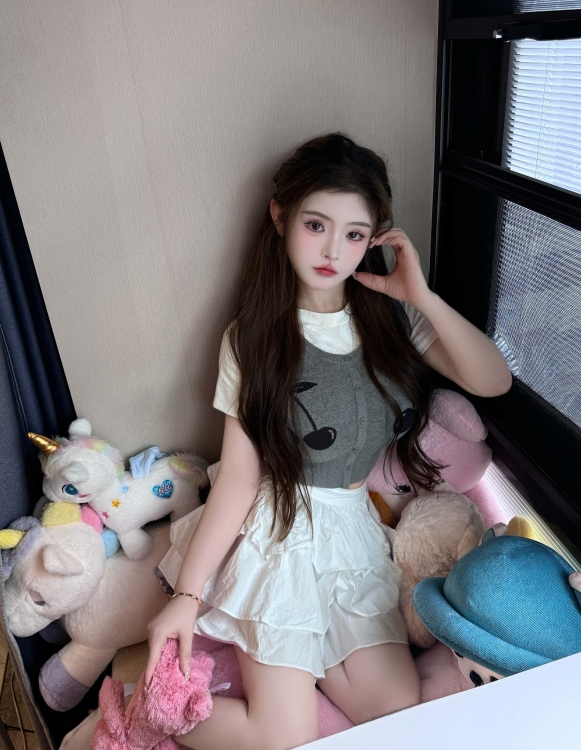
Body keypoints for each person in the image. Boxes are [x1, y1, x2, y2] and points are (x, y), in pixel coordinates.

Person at [145, 132, 513, 750]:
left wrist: (419, 294)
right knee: (281, 736)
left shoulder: (391, 318)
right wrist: (186, 595)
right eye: (316, 225)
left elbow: (493, 380)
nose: (333, 251)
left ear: (375, 239)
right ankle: (148, 708)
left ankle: (302, 661)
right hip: (279, 531)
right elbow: (239, 477)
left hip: (352, 532)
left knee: (396, 710)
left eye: (354, 234)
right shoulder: (253, 338)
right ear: (280, 216)